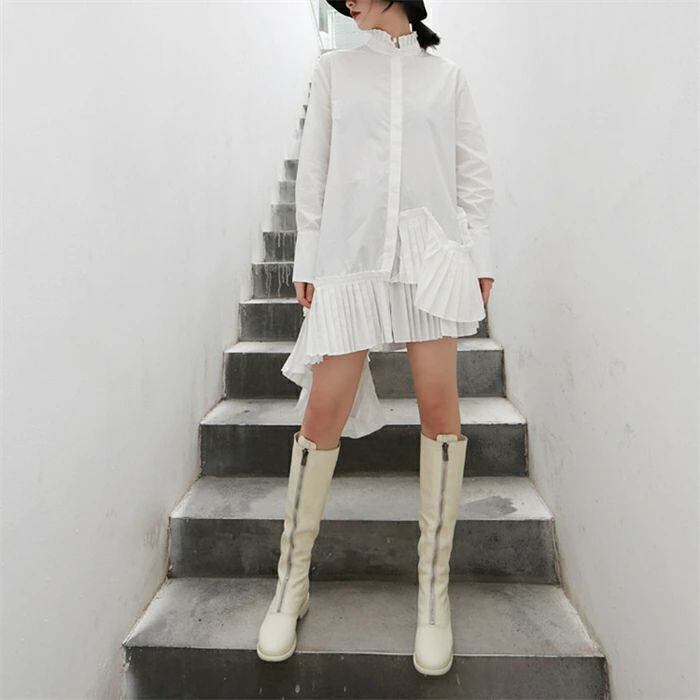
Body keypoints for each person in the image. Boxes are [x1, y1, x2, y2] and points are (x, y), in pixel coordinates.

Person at [256, 0, 495, 677]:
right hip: (350, 256)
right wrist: (307, 257)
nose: (347, 2)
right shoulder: (335, 71)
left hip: (430, 257)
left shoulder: (447, 78)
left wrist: (480, 256)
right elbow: (315, 169)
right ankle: (291, 584)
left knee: (441, 412)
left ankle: (432, 597)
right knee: (323, 413)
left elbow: (473, 175)